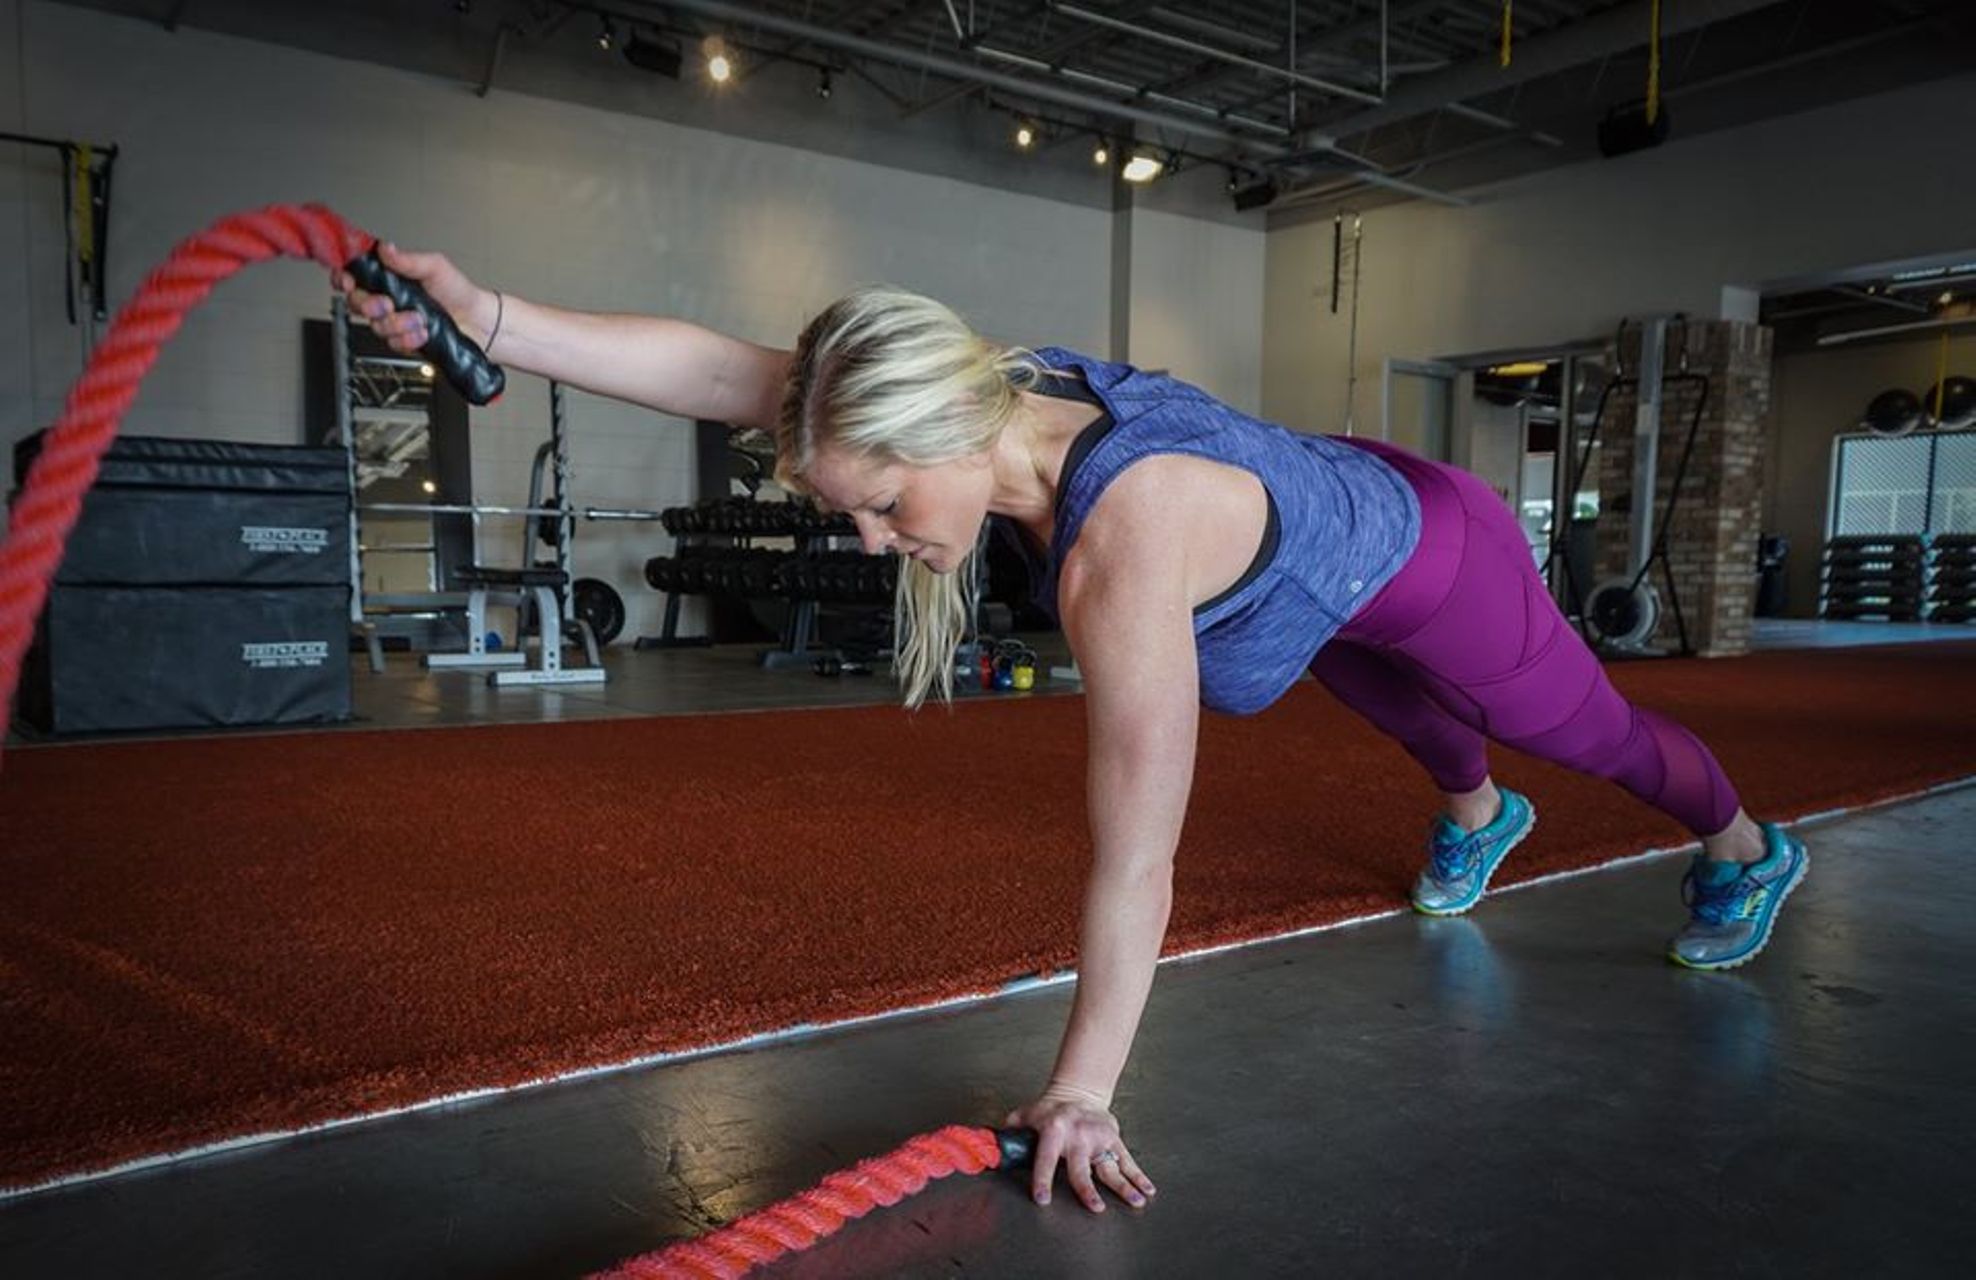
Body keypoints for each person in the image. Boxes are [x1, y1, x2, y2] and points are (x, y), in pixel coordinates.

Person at [337, 244, 1810, 1218]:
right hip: (1313, 540)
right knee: (1396, 714)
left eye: (878, 506)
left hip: (1425, 553)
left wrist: (1084, 1090)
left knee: (1574, 726)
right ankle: (1480, 817)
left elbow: (1136, 859)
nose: (859, 539)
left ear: (951, 447)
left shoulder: (1122, 557)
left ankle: (1747, 848)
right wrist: (490, 319)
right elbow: (717, 372)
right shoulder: (953, 395)